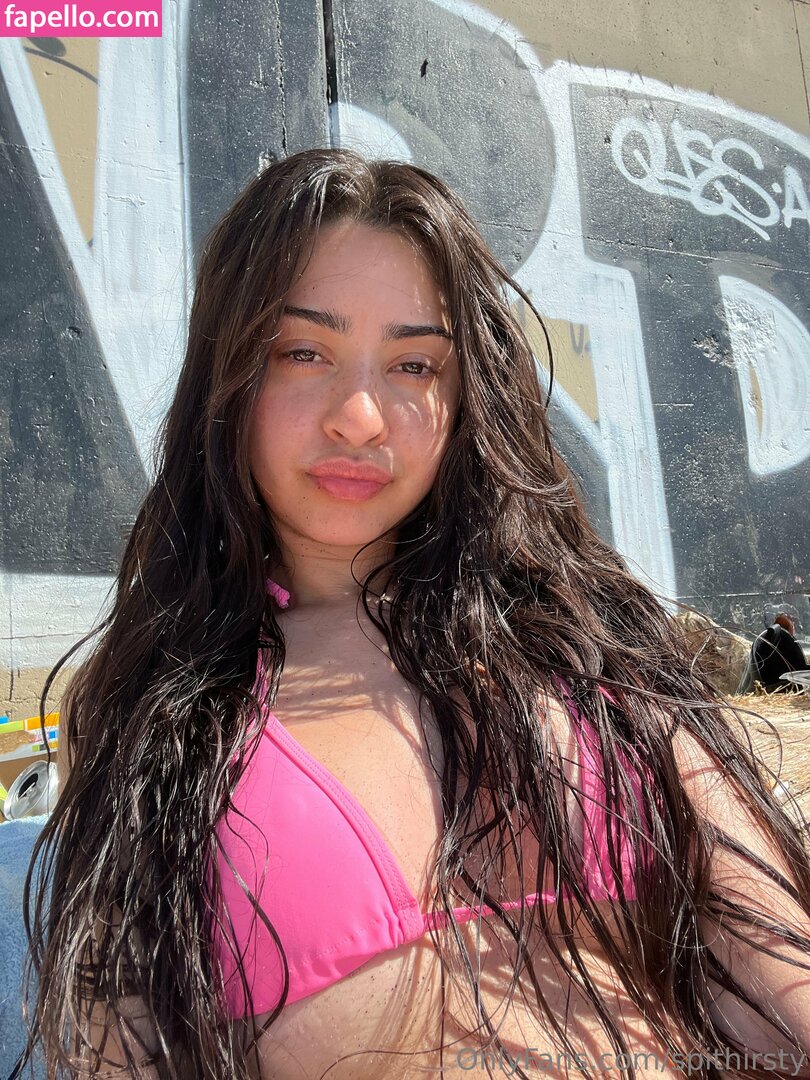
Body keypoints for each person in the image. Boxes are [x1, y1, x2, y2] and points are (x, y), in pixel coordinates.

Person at [15, 150, 810, 1080]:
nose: (360, 416)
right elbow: (116, 1040)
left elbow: (777, 961)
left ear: (465, 396)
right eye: (302, 351)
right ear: (229, 376)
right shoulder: (146, 708)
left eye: (414, 364)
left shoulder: (588, 648)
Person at [737, 613, 810, 694]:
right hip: (779, 690)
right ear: (790, 628)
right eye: (793, 626)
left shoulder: (766, 640)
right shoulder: (785, 641)